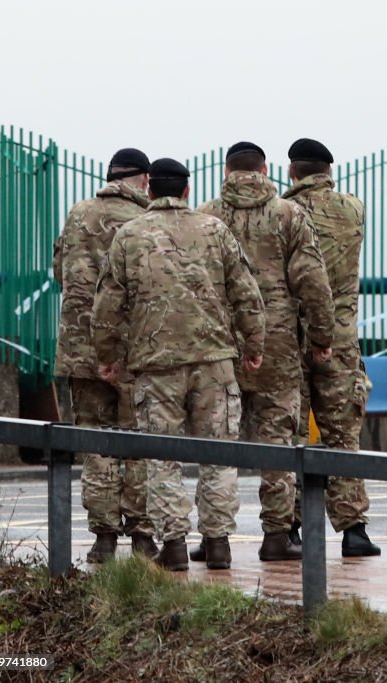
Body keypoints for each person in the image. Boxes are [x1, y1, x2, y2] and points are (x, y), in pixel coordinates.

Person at [91, 157, 266, 572]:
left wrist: (107, 356)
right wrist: (253, 344)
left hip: (156, 366)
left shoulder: (129, 236)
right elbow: (246, 292)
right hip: (214, 362)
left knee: (162, 457)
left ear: (149, 189)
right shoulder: (215, 230)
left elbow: (107, 303)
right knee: (218, 453)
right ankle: (218, 542)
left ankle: (172, 546)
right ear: (186, 190)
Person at [197, 142, 335, 562]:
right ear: (265, 169)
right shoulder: (288, 215)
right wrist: (322, 338)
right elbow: (313, 281)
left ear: (226, 171)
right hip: (277, 344)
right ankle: (276, 535)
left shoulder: (206, 217)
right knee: (277, 439)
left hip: (221, 344)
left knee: (218, 441)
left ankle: (214, 539)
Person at [52, 147, 158, 563]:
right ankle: (142, 534)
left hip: (81, 349)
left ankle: (103, 538)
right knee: (137, 442)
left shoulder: (79, 213)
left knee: (94, 443)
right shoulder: (146, 220)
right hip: (133, 353)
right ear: (144, 180)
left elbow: (61, 271)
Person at [283, 138, 379, 557]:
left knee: (292, 434)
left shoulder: (284, 213)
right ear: (329, 171)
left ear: (292, 172)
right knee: (343, 435)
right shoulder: (353, 208)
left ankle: (289, 528)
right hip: (340, 340)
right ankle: (353, 530)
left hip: (292, 337)